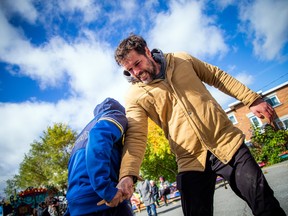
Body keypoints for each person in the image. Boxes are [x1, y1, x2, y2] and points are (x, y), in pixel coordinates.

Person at [113, 34, 286, 216]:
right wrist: (128, 174)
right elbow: (136, 135)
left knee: (265, 203)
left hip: (227, 143)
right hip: (190, 160)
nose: (135, 73)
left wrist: (252, 99)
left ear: (147, 52)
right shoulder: (134, 95)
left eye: (137, 64)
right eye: (129, 70)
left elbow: (217, 76)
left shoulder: (181, 60)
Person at [65, 98, 133, 216]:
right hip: (103, 201)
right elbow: (99, 136)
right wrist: (106, 189)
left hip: (77, 206)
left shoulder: (80, 137)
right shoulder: (115, 115)